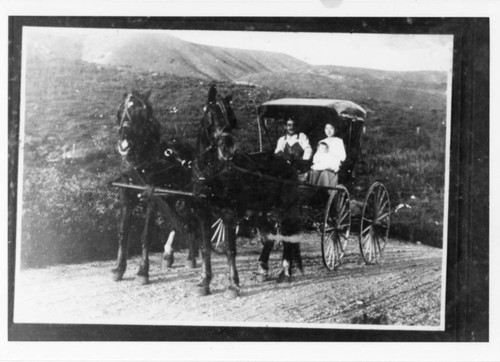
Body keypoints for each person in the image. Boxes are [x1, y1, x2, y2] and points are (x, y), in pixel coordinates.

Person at [309, 123, 346, 187]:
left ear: (335, 129)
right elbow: (318, 155)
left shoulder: (339, 141)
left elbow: (343, 156)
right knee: (313, 172)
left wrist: (338, 163)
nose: (329, 131)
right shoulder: (321, 141)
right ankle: (312, 189)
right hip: (322, 163)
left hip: (333, 164)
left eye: (331, 128)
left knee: (325, 173)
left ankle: (325, 192)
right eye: (327, 128)